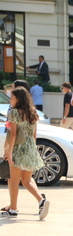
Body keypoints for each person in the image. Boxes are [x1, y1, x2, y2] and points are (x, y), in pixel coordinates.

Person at [1, 87, 50, 220]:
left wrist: (9, 152)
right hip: (30, 148)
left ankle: (13, 209)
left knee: (14, 181)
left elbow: (13, 134)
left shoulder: (15, 113)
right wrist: (32, 150)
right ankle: (41, 201)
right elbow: (34, 135)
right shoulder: (32, 113)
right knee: (27, 180)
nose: (10, 100)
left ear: (19, 99)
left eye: (12, 97)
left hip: (18, 149)